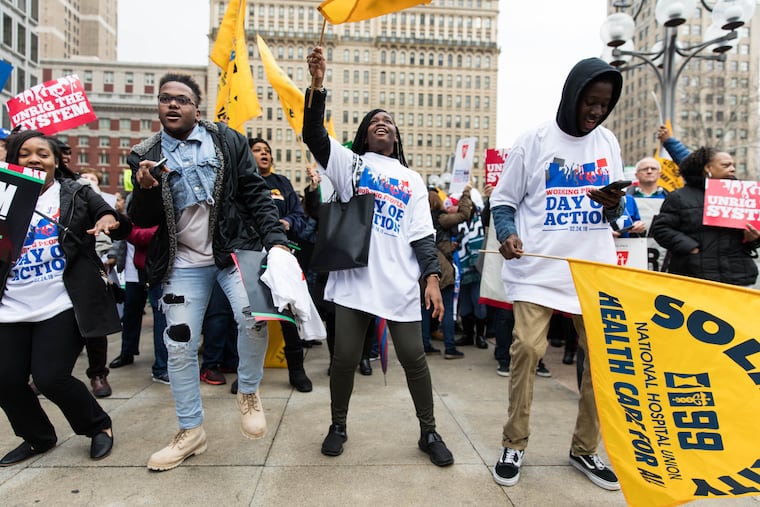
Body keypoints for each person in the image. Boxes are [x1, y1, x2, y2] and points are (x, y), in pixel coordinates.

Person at [127, 73, 291, 471]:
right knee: (179, 343)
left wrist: (277, 242)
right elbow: (141, 218)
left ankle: (249, 392)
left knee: (253, 318)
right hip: (181, 264)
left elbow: (254, 192)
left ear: (196, 109)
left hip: (233, 251)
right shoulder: (144, 152)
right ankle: (190, 431)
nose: (172, 104)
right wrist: (145, 186)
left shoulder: (227, 139)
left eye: (181, 99)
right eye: (165, 99)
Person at [305, 46, 454, 466]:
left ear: (397, 136)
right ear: (365, 135)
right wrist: (317, 85)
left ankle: (429, 431)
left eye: (388, 122)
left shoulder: (411, 178)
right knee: (345, 359)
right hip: (355, 280)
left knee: (414, 358)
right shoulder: (349, 165)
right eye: (374, 123)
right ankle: (338, 424)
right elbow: (314, 136)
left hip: (399, 283)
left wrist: (429, 279)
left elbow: (423, 236)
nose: (382, 125)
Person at [489, 57, 626, 490]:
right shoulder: (534, 141)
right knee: (527, 349)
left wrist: (612, 204)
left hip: (591, 271)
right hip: (537, 270)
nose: (597, 112)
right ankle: (514, 443)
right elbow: (503, 201)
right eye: (591, 102)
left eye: (605, 105)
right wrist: (508, 235)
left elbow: (618, 210)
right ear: (572, 96)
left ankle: (585, 450)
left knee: (602, 363)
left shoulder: (608, 143)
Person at [0, 130, 130, 465]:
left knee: (50, 377)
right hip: (11, 305)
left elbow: (109, 215)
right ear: (13, 161)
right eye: (25, 153)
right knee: (6, 379)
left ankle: (98, 426)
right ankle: (38, 437)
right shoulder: (3, 197)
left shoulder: (75, 192)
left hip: (61, 302)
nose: (34, 159)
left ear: (56, 161)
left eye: (43, 153)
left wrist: (105, 219)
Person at [248, 137, 313, 392]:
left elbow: (299, 215)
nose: (264, 154)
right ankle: (248, 375)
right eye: (257, 150)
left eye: (267, 151)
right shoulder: (243, 182)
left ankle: (297, 371)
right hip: (251, 253)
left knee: (287, 312)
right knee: (250, 316)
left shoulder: (282, 184)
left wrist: (286, 223)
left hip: (280, 252)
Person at [651, 147, 760, 286]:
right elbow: (661, 230)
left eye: (733, 165)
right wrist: (691, 248)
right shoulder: (680, 197)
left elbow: (753, 234)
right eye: (726, 165)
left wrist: (753, 238)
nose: (732, 169)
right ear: (707, 168)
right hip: (695, 276)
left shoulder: (744, 196)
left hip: (737, 276)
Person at [108, 220, 170, 385]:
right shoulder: (131, 206)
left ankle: (161, 366)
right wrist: (113, 255)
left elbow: (143, 235)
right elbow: (121, 236)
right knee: (130, 314)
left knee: (160, 316)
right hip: (131, 271)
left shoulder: (158, 202)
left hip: (154, 269)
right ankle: (127, 352)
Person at [422, 186, 472, 359]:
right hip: (442, 269)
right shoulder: (441, 219)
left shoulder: (420, 220)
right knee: (448, 308)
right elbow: (465, 215)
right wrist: (465, 194)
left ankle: (425, 345)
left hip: (424, 269)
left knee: (426, 308)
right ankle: (450, 348)